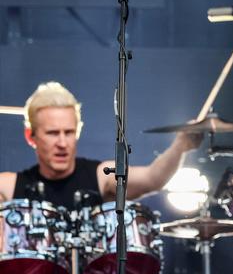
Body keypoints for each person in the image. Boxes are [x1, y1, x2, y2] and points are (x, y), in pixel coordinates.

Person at [0, 81, 201, 208]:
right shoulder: (9, 186)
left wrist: (181, 145)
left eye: (69, 132)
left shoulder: (101, 174)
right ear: (30, 136)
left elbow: (152, 178)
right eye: (52, 133)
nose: (62, 142)